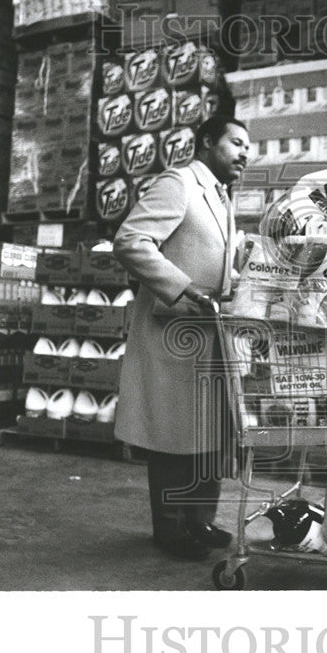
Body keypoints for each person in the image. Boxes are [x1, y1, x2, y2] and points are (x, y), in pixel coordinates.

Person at [113, 116, 250, 561]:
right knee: (172, 434)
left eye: (249, 147)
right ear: (208, 142)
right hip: (172, 328)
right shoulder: (179, 183)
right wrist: (182, 287)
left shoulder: (221, 196)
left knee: (209, 430)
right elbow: (132, 241)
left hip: (209, 331)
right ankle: (170, 529)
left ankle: (199, 519)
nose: (245, 153)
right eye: (236, 143)